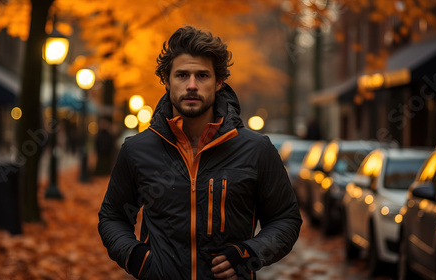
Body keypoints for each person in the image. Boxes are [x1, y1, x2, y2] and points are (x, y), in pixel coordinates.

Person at [98, 25, 302, 280]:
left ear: (218, 83)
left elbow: (285, 219)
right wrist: (136, 258)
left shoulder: (256, 150)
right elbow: (113, 216)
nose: (192, 85)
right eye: (182, 75)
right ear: (167, 81)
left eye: (202, 76)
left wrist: (249, 253)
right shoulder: (137, 150)